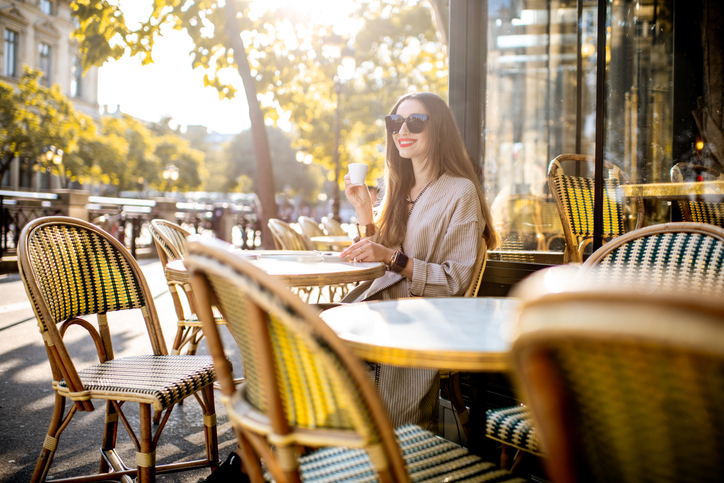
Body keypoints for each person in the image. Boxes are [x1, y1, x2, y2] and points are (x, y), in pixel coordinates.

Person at [338, 92, 498, 429]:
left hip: (420, 317)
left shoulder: (460, 192)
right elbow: (374, 261)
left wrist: (394, 259)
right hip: (374, 306)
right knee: (288, 333)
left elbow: (456, 282)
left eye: (416, 121)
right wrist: (364, 211)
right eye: (396, 122)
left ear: (438, 129)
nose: (402, 129)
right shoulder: (398, 189)